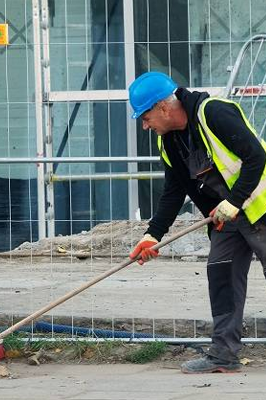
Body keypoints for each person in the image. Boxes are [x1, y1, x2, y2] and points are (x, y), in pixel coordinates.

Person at [128, 71, 266, 374]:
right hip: (227, 219)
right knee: (222, 277)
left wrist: (234, 201)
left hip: (260, 208)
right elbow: (174, 192)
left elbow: (257, 155)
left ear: (164, 107)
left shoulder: (214, 112)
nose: (145, 125)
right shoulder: (169, 142)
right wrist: (152, 235)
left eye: (146, 116)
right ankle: (224, 355)